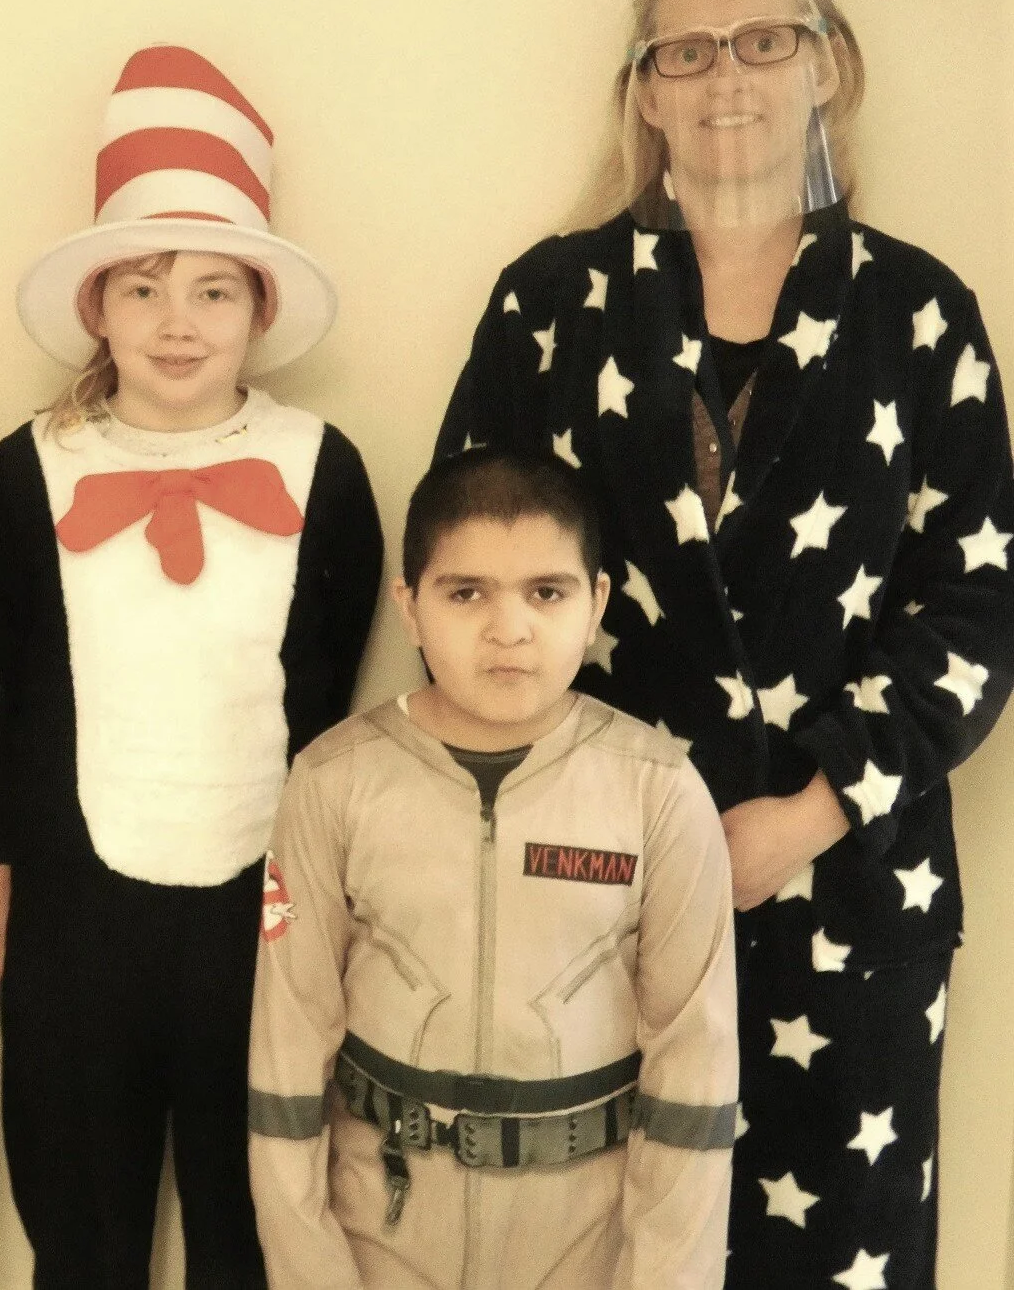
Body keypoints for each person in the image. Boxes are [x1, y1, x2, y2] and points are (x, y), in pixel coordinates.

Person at [436, 0, 1014, 1288]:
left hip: (852, 897)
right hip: (592, 898)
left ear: (828, 64)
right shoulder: (549, 303)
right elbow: (476, 587)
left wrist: (803, 813)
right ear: (641, 90)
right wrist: (591, 820)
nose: (724, 77)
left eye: (762, 40)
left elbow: (975, 611)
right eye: (684, 52)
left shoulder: (917, 315)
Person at [0, 44, 382, 1287]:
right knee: (79, 1210)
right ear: (96, 309)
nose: (178, 322)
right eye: (142, 289)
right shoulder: (31, 462)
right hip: (74, 895)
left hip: (263, 902)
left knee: (251, 1206)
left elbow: (330, 693)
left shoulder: (324, 465)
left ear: (259, 307)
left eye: (212, 290)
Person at [248, 449, 737, 1288]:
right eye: (464, 592)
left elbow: (693, 1074)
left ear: (595, 606)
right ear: (408, 607)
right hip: (383, 1237)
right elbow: (286, 1057)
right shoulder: (332, 780)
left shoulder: (657, 790)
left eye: (546, 592)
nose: (507, 629)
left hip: (587, 1241)